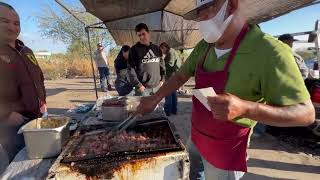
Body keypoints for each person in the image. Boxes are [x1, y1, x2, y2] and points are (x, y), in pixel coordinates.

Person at [134, 0, 315, 179]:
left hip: (226, 150)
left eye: (208, 9)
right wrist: (154, 98)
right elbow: (181, 76)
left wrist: (246, 108)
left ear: (232, 4)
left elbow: (305, 114)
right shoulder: (204, 46)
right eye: (199, 13)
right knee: (193, 174)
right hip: (196, 136)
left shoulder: (270, 52)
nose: (201, 19)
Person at [0, 2, 46, 173]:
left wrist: (42, 100)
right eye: (4, 21)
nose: (12, 27)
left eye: (16, 23)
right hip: (11, 125)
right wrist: (5, 115)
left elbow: (39, 78)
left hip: (37, 119)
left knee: (42, 162)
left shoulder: (26, 50)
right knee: (22, 167)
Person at [127, 23, 166, 96]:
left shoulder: (156, 48)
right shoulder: (134, 50)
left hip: (157, 87)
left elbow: (162, 65)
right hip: (143, 89)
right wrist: (139, 85)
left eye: (143, 34)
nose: (141, 37)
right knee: (143, 108)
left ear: (148, 33)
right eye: (139, 35)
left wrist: (162, 80)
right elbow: (130, 69)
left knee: (157, 107)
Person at [160, 42, 181, 116]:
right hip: (174, 75)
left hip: (171, 76)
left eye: (161, 50)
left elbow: (170, 64)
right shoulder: (172, 51)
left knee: (168, 93)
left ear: (164, 47)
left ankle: (167, 111)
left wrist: (161, 63)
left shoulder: (170, 52)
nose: (161, 52)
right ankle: (173, 110)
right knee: (173, 93)